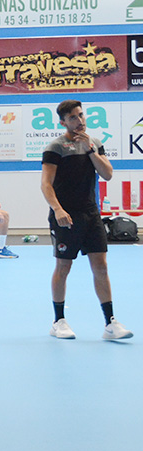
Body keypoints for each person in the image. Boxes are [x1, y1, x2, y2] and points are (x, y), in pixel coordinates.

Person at [41, 99, 131, 341]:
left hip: (91, 214)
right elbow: (46, 184)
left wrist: (91, 149)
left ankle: (110, 324)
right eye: (73, 118)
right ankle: (58, 321)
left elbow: (108, 174)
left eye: (81, 115)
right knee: (63, 267)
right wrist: (58, 209)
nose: (79, 121)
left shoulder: (95, 143)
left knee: (101, 267)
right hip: (65, 216)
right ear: (62, 122)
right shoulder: (55, 147)